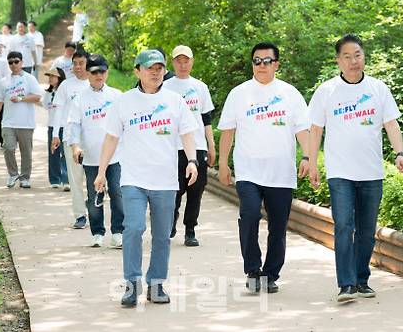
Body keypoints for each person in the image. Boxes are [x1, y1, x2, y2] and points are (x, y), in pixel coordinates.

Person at [307, 34, 403, 302]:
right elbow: (315, 129)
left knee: (366, 230)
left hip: (371, 172)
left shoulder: (378, 88)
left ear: (364, 57)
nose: (353, 61)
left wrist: (399, 152)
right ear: (338, 60)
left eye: (358, 55)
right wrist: (311, 160)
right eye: (347, 56)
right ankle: (347, 284)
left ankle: (362, 279)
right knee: (343, 226)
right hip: (340, 172)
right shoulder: (326, 91)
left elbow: (391, 124)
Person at [94, 49, 199, 307]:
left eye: (160, 68)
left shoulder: (175, 101)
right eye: (150, 68)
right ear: (137, 71)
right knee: (134, 228)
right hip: (133, 179)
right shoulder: (123, 102)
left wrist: (193, 161)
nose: (156, 72)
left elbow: (187, 133)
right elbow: (111, 138)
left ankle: (156, 284)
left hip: (165, 180)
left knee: (162, 235)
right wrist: (101, 171)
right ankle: (131, 284)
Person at [218, 42, 310, 294]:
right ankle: (252, 269)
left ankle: (270, 274)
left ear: (276, 64)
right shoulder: (239, 94)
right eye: (256, 61)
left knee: (278, 227)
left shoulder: (290, 94)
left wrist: (309, 156)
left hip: (281, 173)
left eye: (266, 61)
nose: (261, 65)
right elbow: (228, 131)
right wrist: (223, 163)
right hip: (249, 170)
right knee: (248, 215)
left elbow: (303, 129)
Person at [67, 54, 124, 248]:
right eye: (95, 72)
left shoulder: (117, 96)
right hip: (91, 157)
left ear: (107, 72)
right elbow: (73, 125)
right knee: (95, 196)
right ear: (88, 73)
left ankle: (118, 232)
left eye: (102, 71)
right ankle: (97, 232)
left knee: (117, 193)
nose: (99, 75)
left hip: (116, 156)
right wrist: (75, 146)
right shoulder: (80, 98)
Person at [164, 45, 216, 247]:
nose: (183, 65)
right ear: (173, 62)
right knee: (174, 190)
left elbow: (206, 118)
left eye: (186, 61)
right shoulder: (165, 87)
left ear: (192, 62)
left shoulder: (200, 87)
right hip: (173, 147)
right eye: (179, 61)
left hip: (197, 146)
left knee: (196, 190)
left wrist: (211, 145)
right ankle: (170, 225)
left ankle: (190, 230)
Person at [0, 51, 44, 188]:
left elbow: (37, 97)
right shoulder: (3, 82)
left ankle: (25, 178)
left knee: (26, 152)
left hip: (26, 123)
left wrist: (21, 98)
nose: (13, 65)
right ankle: (13, 174)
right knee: (8, 148)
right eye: (10, 62)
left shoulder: (30, 79)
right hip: (8, 122)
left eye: (16, 61)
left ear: (21, 62)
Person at [51, 47, 90, 227]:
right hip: (71, 138)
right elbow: (58, 111)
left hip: (93, 139)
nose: (78, 67)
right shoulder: (66, 85)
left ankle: (94, 209)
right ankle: (80, 214)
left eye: (81, 63)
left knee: (94, 177)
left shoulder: (95, 83)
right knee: (75, 179)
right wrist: (55, 134)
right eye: (75, 64)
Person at [43, 67, 69, 190]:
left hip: (65, 126)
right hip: (52, 125)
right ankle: (55, 179)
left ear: (59, 77)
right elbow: (46, 106)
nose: (50, 78)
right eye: (49, 76)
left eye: (53, 76)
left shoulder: (65, 91)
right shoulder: (48, 93)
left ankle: (66, 180)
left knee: (65, 154)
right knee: (53, 153)